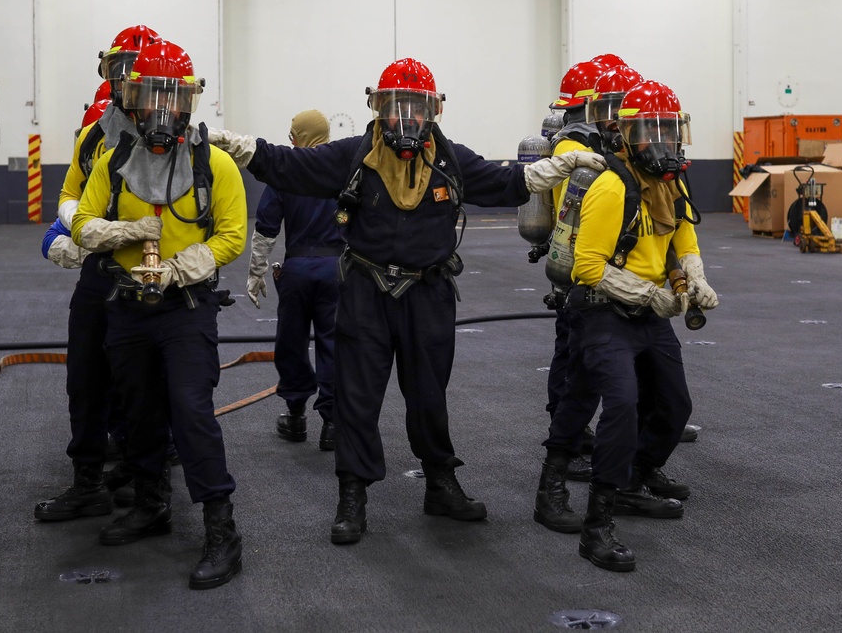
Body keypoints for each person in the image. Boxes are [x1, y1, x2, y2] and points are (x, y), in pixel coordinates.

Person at [209, 57, 604, 545]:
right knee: (356, 397)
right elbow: (289, 166)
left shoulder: (450, 159)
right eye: (394, 107)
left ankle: (440, 483)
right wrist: (236, 144)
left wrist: (558, 166)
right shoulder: (353, 155)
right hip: (364, 293)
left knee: (428, 395)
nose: (405, 119)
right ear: (378, 109)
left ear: (433, 112)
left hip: (429, 293)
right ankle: (352, 496)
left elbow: (505, 182)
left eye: (415, 109)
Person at [71, 40, 248, 590]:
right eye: (150, 96)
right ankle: (151, 505)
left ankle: (222, 529)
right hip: (126, 308)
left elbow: (232, 235)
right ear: (130, 99)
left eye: (173, 98)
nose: (162, 111)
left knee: (191, 413)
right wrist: (118, 232)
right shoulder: (112, 160)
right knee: (139, 411)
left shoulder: (213, 164)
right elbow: (79, 220)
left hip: (184, 309)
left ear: (191, 104)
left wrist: (182, 266)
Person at [555, 80, 718, 572]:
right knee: (622, 406)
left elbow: (683, 238)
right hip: (606, 311)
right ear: (627, 135)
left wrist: (696, 277)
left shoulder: (673, 183)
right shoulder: (610, 184)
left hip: (653, 313)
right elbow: (587, 265)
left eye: (671, 131)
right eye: (652, 132)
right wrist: (648, 293)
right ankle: (596, 525)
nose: (663, 143)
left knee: (674, 405)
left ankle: (632, 480)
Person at [34, 25, 161, 522]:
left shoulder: (181, 140)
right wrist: (78, 235)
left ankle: (145, 481)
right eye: (118, 68)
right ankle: (88, 481)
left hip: (154, 278)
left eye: (137, 68)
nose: (128, 79)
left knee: (146, 385)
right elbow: (69, 195)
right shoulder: (95, 134)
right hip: (100, 274)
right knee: (85, 378)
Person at [540, 55, 626, 490]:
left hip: (590, 259)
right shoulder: (573, 148)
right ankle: (567, 439)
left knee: (579, 352)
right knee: (573, 355)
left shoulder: (584, 143)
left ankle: (580, 433)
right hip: (578, 263)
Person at [249, 109, 342, 450]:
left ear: (300, 137)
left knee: (292, 342)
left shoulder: (286, 170)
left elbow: (266, 227)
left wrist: (256, 272)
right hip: (338, 270)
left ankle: (296, 414)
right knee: (335, 344)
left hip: (297, 270)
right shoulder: (343, 169)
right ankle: (332, 424)